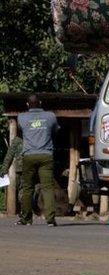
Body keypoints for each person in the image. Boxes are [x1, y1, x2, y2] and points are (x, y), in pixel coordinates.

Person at [16, 95, 58, 226]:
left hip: (29, 155)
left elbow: (21, 131)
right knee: (47, 188)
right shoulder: (51, 116)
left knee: (28, 188)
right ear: (40, 103)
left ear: (27, 105)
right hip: (46, 155)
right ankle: (50, 220)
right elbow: (55, 131)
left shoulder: (21, 117)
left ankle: (26, 219)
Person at [2, 133, 24, 202]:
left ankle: (24, 209)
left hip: (22, 168)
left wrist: (4, 170)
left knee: (22, 189)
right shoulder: (35, 137)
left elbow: (9, 156)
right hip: (28, 168)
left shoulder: (17, 140)